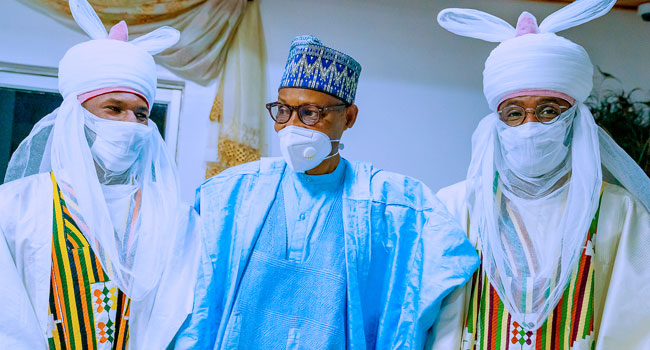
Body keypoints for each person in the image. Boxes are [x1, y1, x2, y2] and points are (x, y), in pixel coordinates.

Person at [173, 35, 480, 349]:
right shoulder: (233, 194)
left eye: (310, 113)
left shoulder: (387, 204)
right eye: (282, 110)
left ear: (348, 117)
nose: (291, 126)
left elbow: (450, 258)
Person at [428, 0, 650, 349]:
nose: (530, 126)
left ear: (575, 121)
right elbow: (439, 322)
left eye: (548, 111)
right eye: (515, 113)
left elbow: (634, 326)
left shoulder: (620, 213)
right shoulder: (457, 206)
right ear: (496, 123)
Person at [0, 0, 201, 348]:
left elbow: (178, 321)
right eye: (113, 108)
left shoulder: (174, 220)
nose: (131, 124)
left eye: (141, 114)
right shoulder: (15, 208)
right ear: (76, 115)